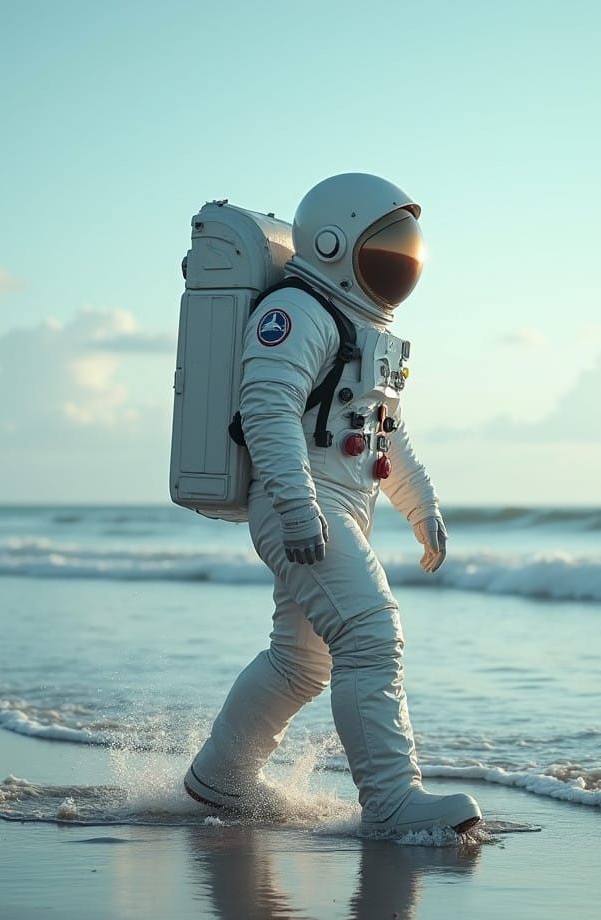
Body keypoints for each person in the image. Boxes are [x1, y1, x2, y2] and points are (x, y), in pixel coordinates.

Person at [184, 173, 482, 835]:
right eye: (386, 248)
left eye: (405, 251)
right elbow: (267, 409)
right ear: (333, 242)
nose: (400, 264)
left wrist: (420, 506)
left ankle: (221, 777)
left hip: (335, 508)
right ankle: (393, 802)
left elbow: (384, 428)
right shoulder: (296, 314)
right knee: (373, 634)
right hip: (301, 505)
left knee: (302, 662)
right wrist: (295, 506)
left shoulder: (357, 326)